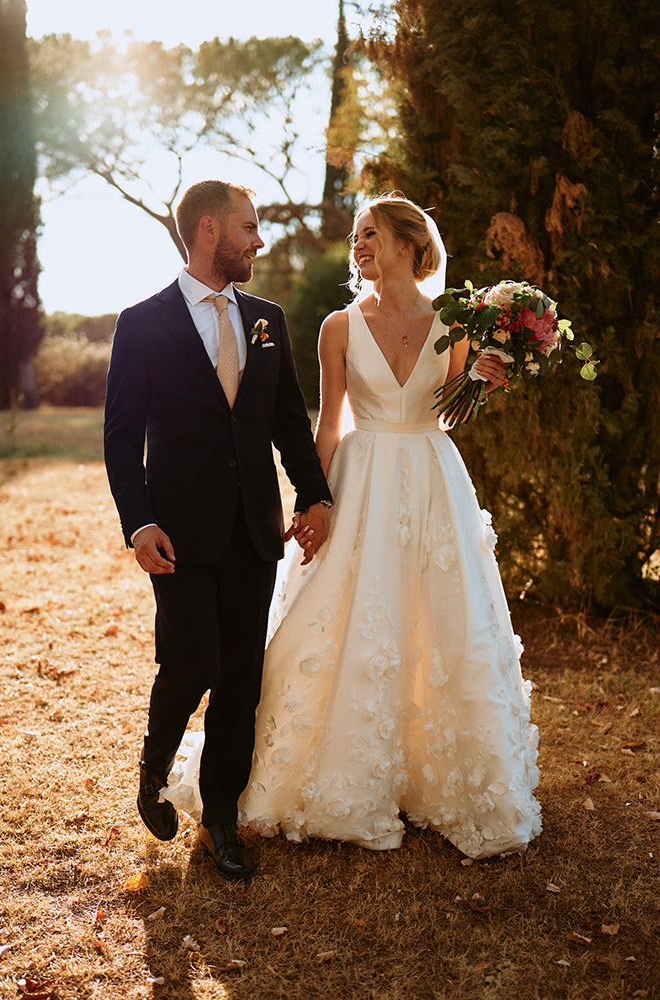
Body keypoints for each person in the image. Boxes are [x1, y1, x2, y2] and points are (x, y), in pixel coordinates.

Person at [165, 192, 542, 860]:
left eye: (371, 234)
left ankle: (436, 776)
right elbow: (329, 422)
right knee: (346, 611)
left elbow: (449, 414)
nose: (358, 246)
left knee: (438, 613)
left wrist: (481, 383)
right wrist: (314, 500)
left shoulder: (452, 323)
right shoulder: (337, 326)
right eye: (355, 237)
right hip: (362, 477)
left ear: (407, 243)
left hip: (432, 475)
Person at [103, 179, 333, 881]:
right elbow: (120, 438)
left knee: (241, 678)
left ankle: (222, 821)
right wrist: (139, 522)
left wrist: (314, 496)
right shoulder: (142, 323)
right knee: (191, 663)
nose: (258, 241)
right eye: (249, 227)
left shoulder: (267, 318)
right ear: (208, 230)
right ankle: (151, 771)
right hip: (176, 533)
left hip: (254, 530)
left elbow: (289, 420)